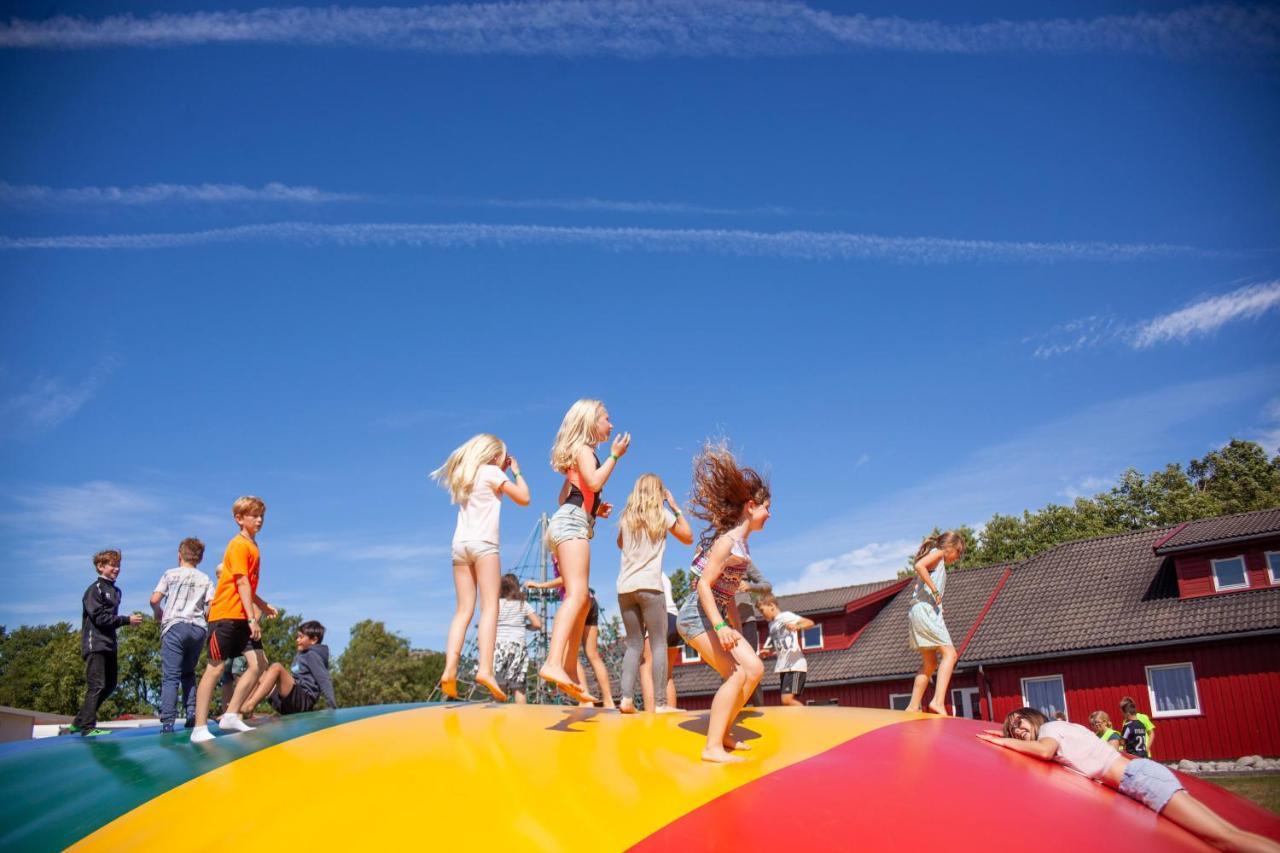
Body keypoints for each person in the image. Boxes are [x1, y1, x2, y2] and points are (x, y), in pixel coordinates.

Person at [980, 708, 1280, 853]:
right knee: (1225, 835)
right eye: (1011, 729)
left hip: (1140, 779)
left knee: (1222, 839)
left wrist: (1002, 743)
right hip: (1140, 779)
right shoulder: (1060, 729)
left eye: (1019, 722)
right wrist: (1006, 736)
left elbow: (1044, 752)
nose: (1016, 730)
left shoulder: (1050, 730)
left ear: (1034, 717)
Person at [676, 442, 768, 763]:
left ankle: (724, 731)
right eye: (767, 507)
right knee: (735, 675)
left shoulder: (742, 546)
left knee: (754, 668)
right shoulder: (727, 542)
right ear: (752, 506)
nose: (770, 514)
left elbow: (726, 594)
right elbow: (703, 585)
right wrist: (718, 625)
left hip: (713, 616)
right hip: (694, 616)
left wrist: (733, 629)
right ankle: (711, 747)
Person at [539, 398, 629, 702]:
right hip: (573, 524)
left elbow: (566, 494)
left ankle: (566, 666)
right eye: (606, 418)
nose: (611, 424)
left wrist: (593, 509)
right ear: (592, 421)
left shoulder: (576, 454)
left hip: (572, 520)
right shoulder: (585, 450)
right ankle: (553, 662)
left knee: (581, 598)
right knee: (578, 594)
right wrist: (615, 457)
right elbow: (592, 480)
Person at [431, 433, 531, 702]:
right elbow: (524, 498)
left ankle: (449, 669)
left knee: (463, 610)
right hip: (484, 545)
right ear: (495, 456)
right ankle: (485, 669)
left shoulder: (467, 474)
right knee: (490, 607)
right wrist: (517, 472)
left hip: (459, 546)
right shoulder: (491, 472)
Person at [191, 496, 278, 744]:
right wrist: (253, 618)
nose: (259, 520)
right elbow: (240, 582)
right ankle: (199, 727)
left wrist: (262, 604)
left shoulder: (254, 545)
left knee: (258, 663)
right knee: (216, 668)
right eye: (253, 515)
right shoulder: (238, 545)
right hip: (226, 616)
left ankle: (231, 714)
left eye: (261, 515)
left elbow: (248, 584)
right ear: (240, 519)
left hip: (242, 617)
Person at [615, 474, 693, 714]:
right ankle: (660, 704)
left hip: (625, 588)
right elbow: (688, 537)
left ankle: (626, 699)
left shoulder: (627, 518)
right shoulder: (661, 515)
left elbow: (620, 544)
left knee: (634, 645)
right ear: (659, 493)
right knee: (658, 644)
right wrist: (676, 508)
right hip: (650, 586)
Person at [69, 549, 144, 737]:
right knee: (97, 684)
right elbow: (100, 618)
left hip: (110, 644)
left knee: (110, 684)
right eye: (112, 565)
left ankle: (78, 722)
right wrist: (126, 620)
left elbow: (109, 618)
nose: (116, 569)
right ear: (100, 567)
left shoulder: (116, 591)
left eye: (118, 565)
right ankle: (87, 727)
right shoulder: (95, 589)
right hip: (95, 644)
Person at [150, 538, 214, 732]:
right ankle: (192, 712)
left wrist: (158, 612)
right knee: (189, 673)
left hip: (175, 625)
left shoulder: (170, 574)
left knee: (171, 676)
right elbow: (211, 607)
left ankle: (168, 721)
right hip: (197, 629)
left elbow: (154, 599)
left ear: (179, 555)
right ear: (200, 558)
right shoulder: (205, 579)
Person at [904, 531, 964, 715]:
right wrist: (935, 592)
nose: (959, 556)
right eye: (958, 552)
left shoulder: (937, 560)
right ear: (950, 548)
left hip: (920, 611)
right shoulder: (938, 553)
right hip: (924, 611)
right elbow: (919, 566)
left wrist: (937, 604)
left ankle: (913, 706)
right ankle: (938, 701)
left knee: (930, 664)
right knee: (950, 655)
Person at [243, 621, 337, 715]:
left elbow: (324, 680)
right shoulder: (301, 655)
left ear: (313, 640)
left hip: (304, 701)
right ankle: (244, 705)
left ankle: (250, 705)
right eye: (297, 637)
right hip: (290, 702)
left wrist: (332, 705)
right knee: (261, 673)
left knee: (277, 667)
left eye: (301, 637)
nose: (297, 640)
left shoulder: (312, 655)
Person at [758, 595, 814, 707]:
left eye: (762, 610)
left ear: (771, 606)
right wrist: (768, 651)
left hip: (795, 665)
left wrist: (797, 627)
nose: (762, 614)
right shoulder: (771, 624)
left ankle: (808, 719)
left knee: (787, 700)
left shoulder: (786, 616)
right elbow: (777, 642)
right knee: (786, 703)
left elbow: (809, 623)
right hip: (784, 667)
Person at [495, 574, 541, 704]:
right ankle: (521, 721)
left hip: (498, 647)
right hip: (517, 647)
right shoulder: (523, 604)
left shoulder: (496, 604)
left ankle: (497, 721)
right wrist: (525, 626)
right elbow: (537, 624)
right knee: (519, 688)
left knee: (499, 687)